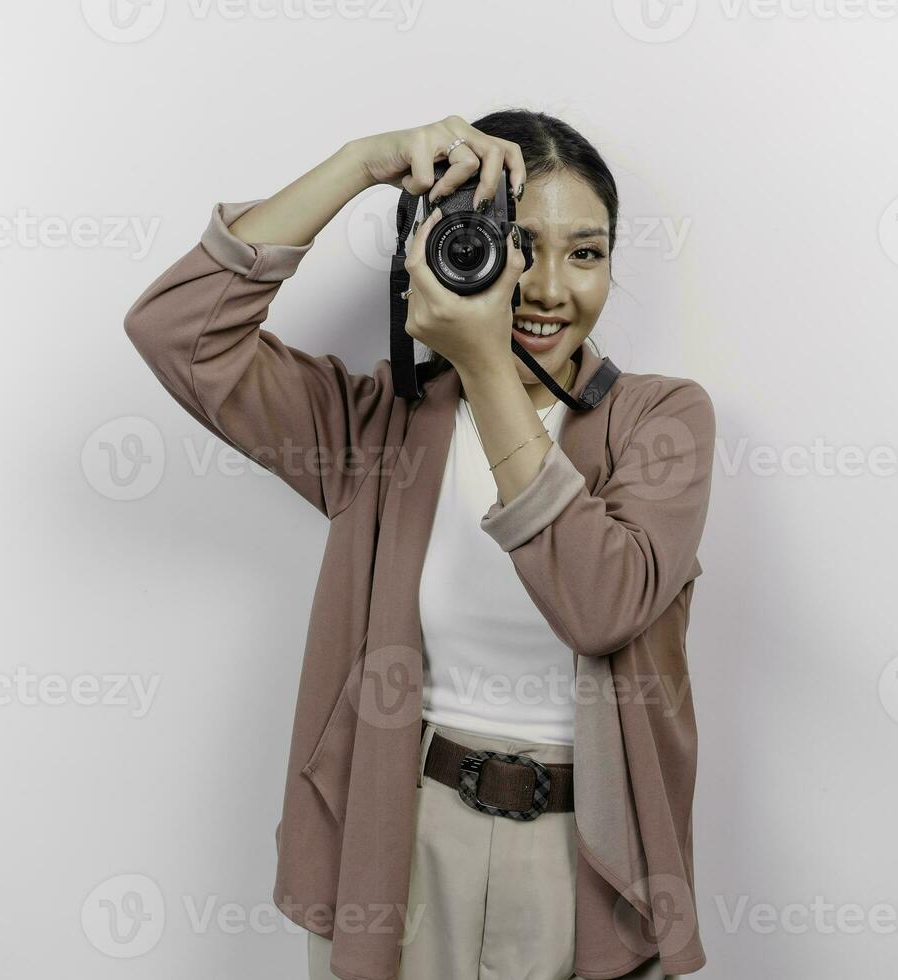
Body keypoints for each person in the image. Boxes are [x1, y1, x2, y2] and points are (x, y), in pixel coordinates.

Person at [124, 109, 716, 980]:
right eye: (517, 245)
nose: (550, 287)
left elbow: (600, 606)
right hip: (401, 839)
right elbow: (180, 332)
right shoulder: (380, 425)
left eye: (585, 253)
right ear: (443, 247)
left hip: (592, 857)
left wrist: (481, 362)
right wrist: (359, 163)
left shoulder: (662, 420)